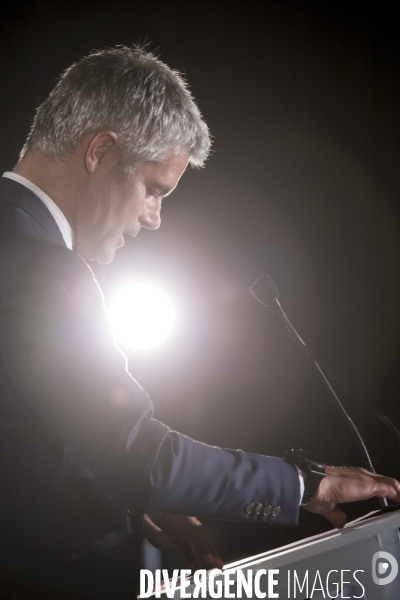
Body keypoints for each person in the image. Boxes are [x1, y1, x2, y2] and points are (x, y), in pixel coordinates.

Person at [0, 46, 399, 600]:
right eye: (154, 190)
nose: (154, 218)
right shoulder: (43, 266)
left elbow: (24, 443)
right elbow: (138, 454)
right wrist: (307, 482)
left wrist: (130, 502)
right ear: (101, 152)